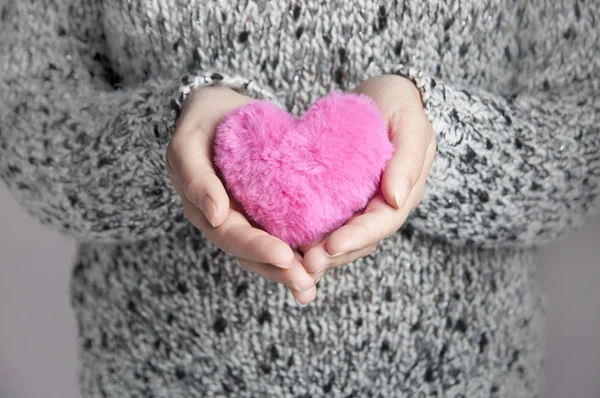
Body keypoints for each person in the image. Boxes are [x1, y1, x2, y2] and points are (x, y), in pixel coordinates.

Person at [1, 0, 598, 396]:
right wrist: (168, 140)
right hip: (160, 378)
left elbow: (583, 136)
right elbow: (23, 120)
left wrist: (437, 138)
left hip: (463, 378)